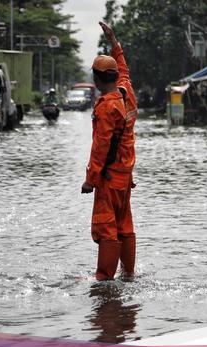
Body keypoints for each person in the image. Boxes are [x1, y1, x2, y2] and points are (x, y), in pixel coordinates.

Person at [81, 21, 137, 281]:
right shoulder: (127, 94)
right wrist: (115, 42)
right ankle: (128, 274)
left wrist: (90, 180)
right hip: (126, 176)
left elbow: (100, 148)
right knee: (124, 224)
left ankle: (104, 277)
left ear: (96, 79)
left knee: (106, 227)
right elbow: (124, 68)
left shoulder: (106, 107)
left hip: (109, 177)